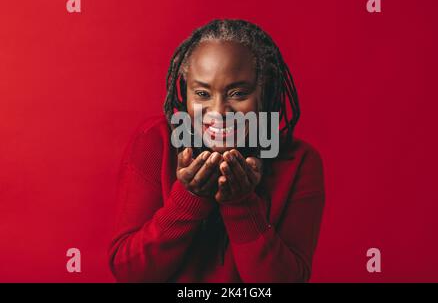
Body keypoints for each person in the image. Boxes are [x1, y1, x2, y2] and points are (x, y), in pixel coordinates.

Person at [108, 19, 325, 282]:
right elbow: (129, 271)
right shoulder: (155, 143)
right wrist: (188, 199)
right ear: (184, 90)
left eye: (237, 93)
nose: (219, 112)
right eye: (202, 93)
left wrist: (241, 204)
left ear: (264, 90)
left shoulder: (298, 162)